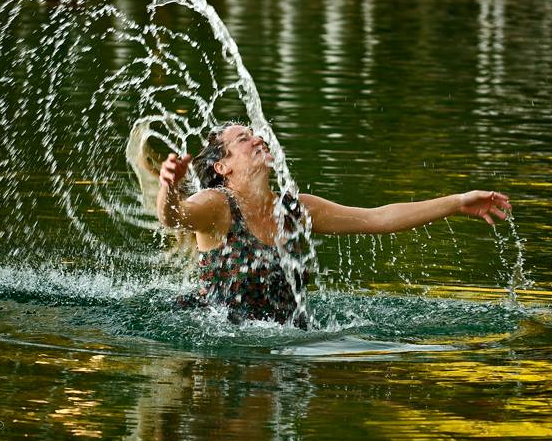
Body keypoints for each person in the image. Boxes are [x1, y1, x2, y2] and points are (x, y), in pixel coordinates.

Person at [157, 123, 512, 327]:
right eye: (243, 139)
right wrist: (168, 189)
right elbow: (172, 218)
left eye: (254, 133)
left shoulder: (296, 209)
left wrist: (456, 202)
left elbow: (378, 218)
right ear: (223, 167)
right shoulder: (217, 206)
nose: (257, 138)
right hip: (216, 335)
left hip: (283, 338)